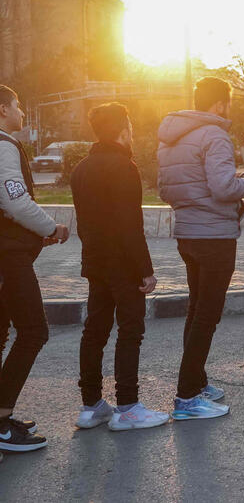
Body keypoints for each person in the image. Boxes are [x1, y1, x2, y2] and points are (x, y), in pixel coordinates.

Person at [157, 77, 244, 420]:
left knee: (196, 310)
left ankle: (196, 382)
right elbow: (222, 187)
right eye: (228, 104)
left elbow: (164, 189)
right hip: (214, 236)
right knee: (207, 315)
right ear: (219, 104)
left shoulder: (171, 138)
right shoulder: (215, 134)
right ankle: (186, 396)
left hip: (187, 234)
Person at [71, 103, 169, 432]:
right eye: (129, 123)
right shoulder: (123, 166)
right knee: (130, 332)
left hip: (95, 262)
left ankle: (91, 406)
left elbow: (83, 223)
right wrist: (146, 270)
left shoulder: (81, 169)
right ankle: (127, 406)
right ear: (122, 129)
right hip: (123, 265)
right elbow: (130, 226)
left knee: (94, 332)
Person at [0, 85, 70, 451]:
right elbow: (15, 200)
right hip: (8, 257)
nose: (22, 113)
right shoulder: (3, 146)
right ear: (2, 109)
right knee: (33, 331)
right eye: (18, 106)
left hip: (9, 251)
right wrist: (50, 227)